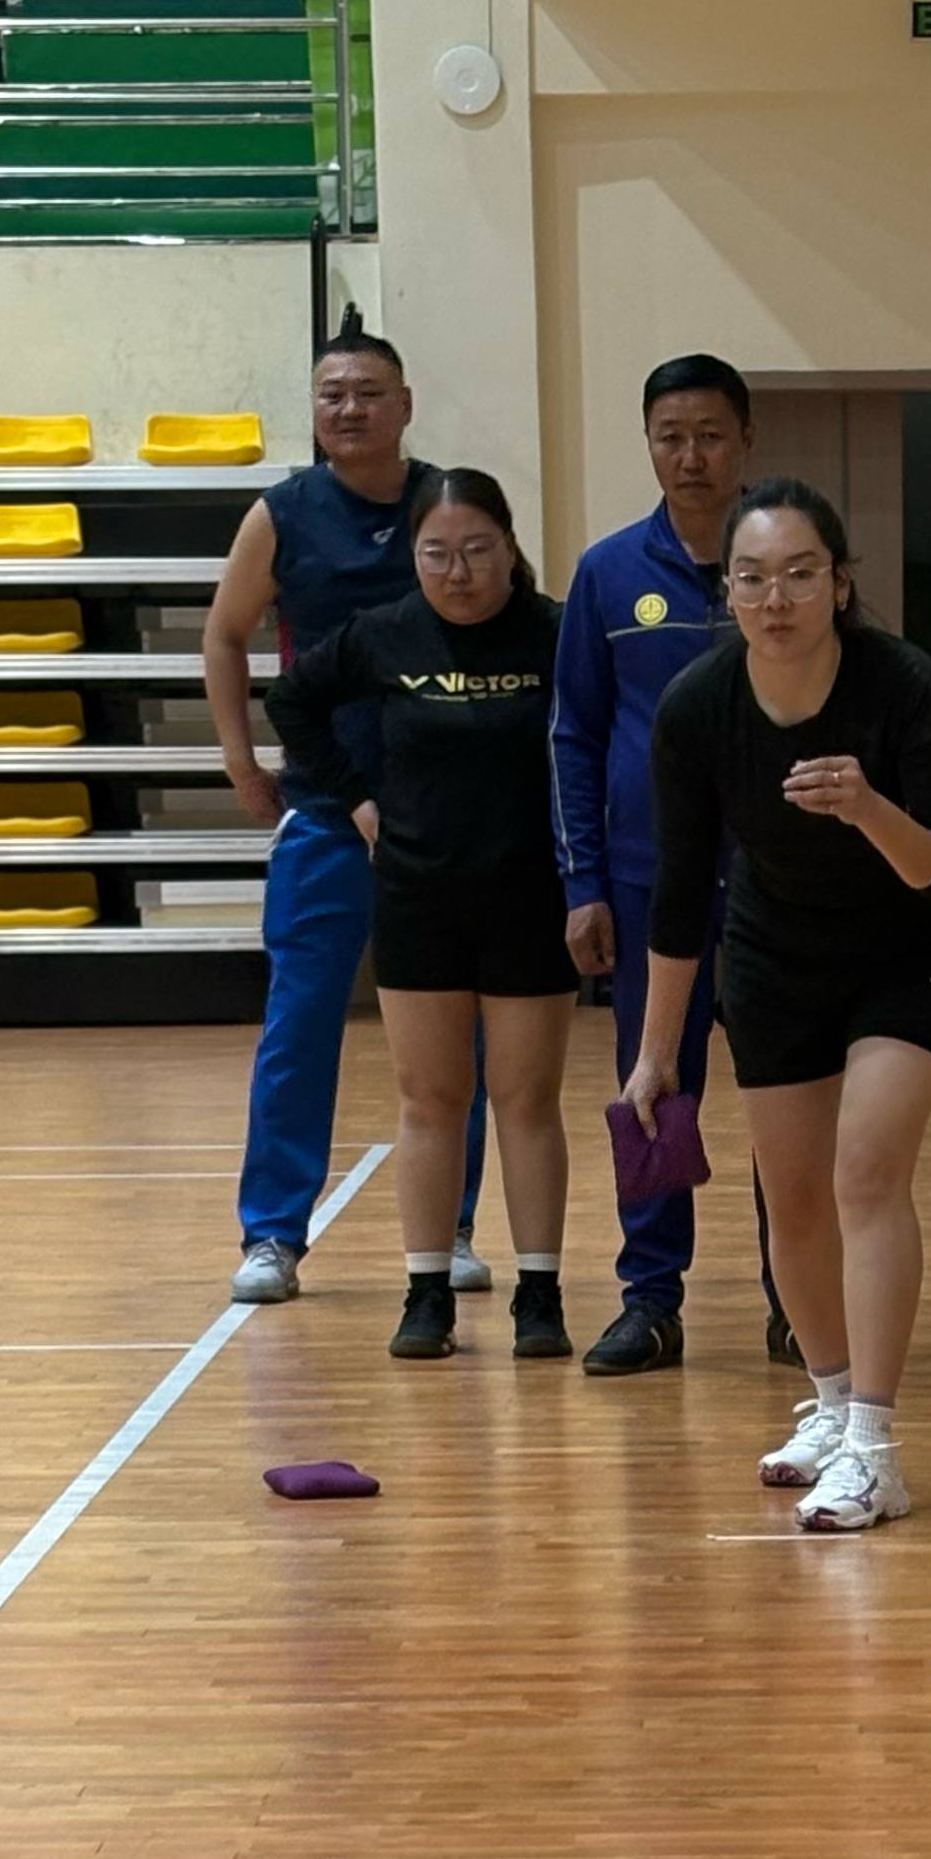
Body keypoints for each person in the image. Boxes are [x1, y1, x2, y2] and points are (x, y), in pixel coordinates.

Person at [628, 480, 931, 1532]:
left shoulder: (902, 685)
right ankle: (829, 1403)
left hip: (907, 946)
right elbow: (680, 892)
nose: (774, 598)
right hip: (775, 955)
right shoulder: (698, 706)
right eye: (751, 579)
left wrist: (867, 806)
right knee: (792, 1196)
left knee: (865, 1172)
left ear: (838, 584)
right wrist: (655, 1053)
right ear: (727, 593)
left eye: (797, 574)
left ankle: (875, 1447)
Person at [267, 468, 574, 1362]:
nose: (458, 571)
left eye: (477, 550)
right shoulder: (385, 633)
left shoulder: (556, 632)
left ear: (510, 549)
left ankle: (541, 1295)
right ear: (413, 556)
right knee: (430, 1100)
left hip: (530, 898)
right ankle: (426, 1292)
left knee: (526, 1099)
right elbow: (293, 701)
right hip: (417, 898)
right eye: (437, 553)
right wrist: (357, 801)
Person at [212, 314, 487, 1306]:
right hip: (328, 813)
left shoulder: (448, 505)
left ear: (405, 405)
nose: (351, 408)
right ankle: (271, 1236)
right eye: (333, 394)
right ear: (314, 410)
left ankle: (453, 1227)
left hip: (442, 819)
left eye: (370, 393)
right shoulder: (281, 514)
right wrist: (241, 761)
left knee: (457, 1031)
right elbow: (225, 634)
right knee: (298, 1024)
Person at [549, 351, 790, 1376]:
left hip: (779, 884)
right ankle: (650, 1299)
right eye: (670, 437)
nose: (691, 456)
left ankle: (797, 1298)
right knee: (655, 1088)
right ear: (648, 444)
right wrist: (584, 884)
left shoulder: (782, 567)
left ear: (745, 441)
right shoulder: (607, 574)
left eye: (710, 436)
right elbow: (573, 733)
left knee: (787, 1091)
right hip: (650, 883)